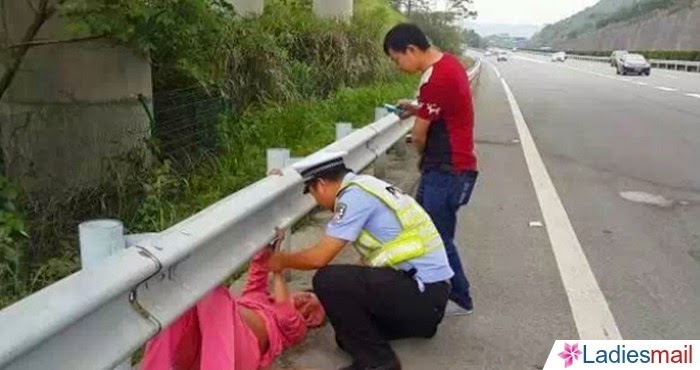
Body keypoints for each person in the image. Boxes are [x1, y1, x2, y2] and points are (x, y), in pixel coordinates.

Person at [267, 151, 454, 370]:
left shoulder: (353, 197)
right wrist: (323, 301)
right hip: (428, 302)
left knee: (328, 279)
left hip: (423, 296)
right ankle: (404, 334)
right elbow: (369, 265)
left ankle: (379, 363)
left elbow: (319, 258)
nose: (316, 201)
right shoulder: (367, 185)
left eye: (312, 194)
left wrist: (282, 260)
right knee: (347, 336)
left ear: (321, 184)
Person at [383, 23, 479, 315]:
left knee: (438, 237)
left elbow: (420, 134)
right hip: (451, 169)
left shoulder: (435, 79)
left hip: (447, 171)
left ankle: (459, 298)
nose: (399, 66)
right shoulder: (449, 64)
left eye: (397, 59)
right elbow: (439, 108)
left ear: (411, 49)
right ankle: (425, 284)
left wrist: (420, 153)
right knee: (424, 231)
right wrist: (418, 107)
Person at [140, 234, 326, 370]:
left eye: (310, 306)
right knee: (180, 301)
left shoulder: (297, 329)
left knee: (213, 292)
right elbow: (258, 269)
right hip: (202, 351)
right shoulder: (259, 298)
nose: (305, 299)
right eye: (308, 295)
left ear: (312, 320)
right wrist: (270, 245)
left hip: (239, 354)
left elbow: (286, 314)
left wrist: (278, 270)